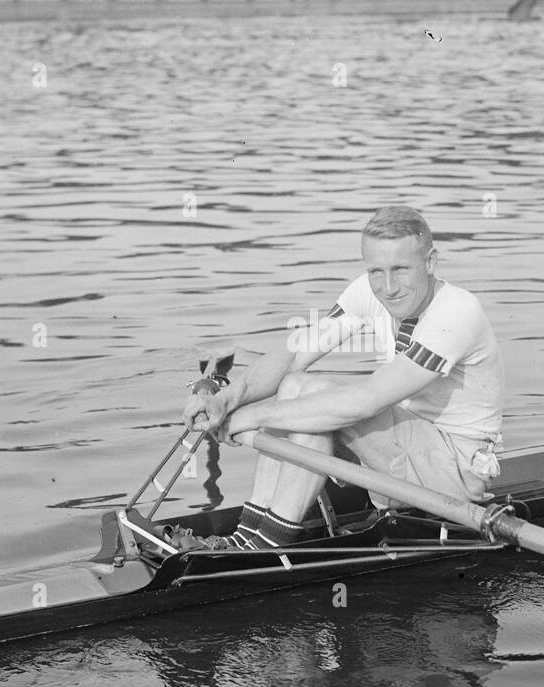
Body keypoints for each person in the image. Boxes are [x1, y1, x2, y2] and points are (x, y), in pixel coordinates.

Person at [174, 206, 505, 551]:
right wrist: (229, 398)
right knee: (294, 384)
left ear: (431, 263)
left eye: (401, 269)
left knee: (316, 398)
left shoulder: (456, 313)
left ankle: (267, 544)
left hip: (458, 477)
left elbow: (367, 401)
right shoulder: (370, 289)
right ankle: (251, 533)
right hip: (403, 455)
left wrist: (249, 417)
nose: (388, 287)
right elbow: (296, 351)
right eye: (376, 271)